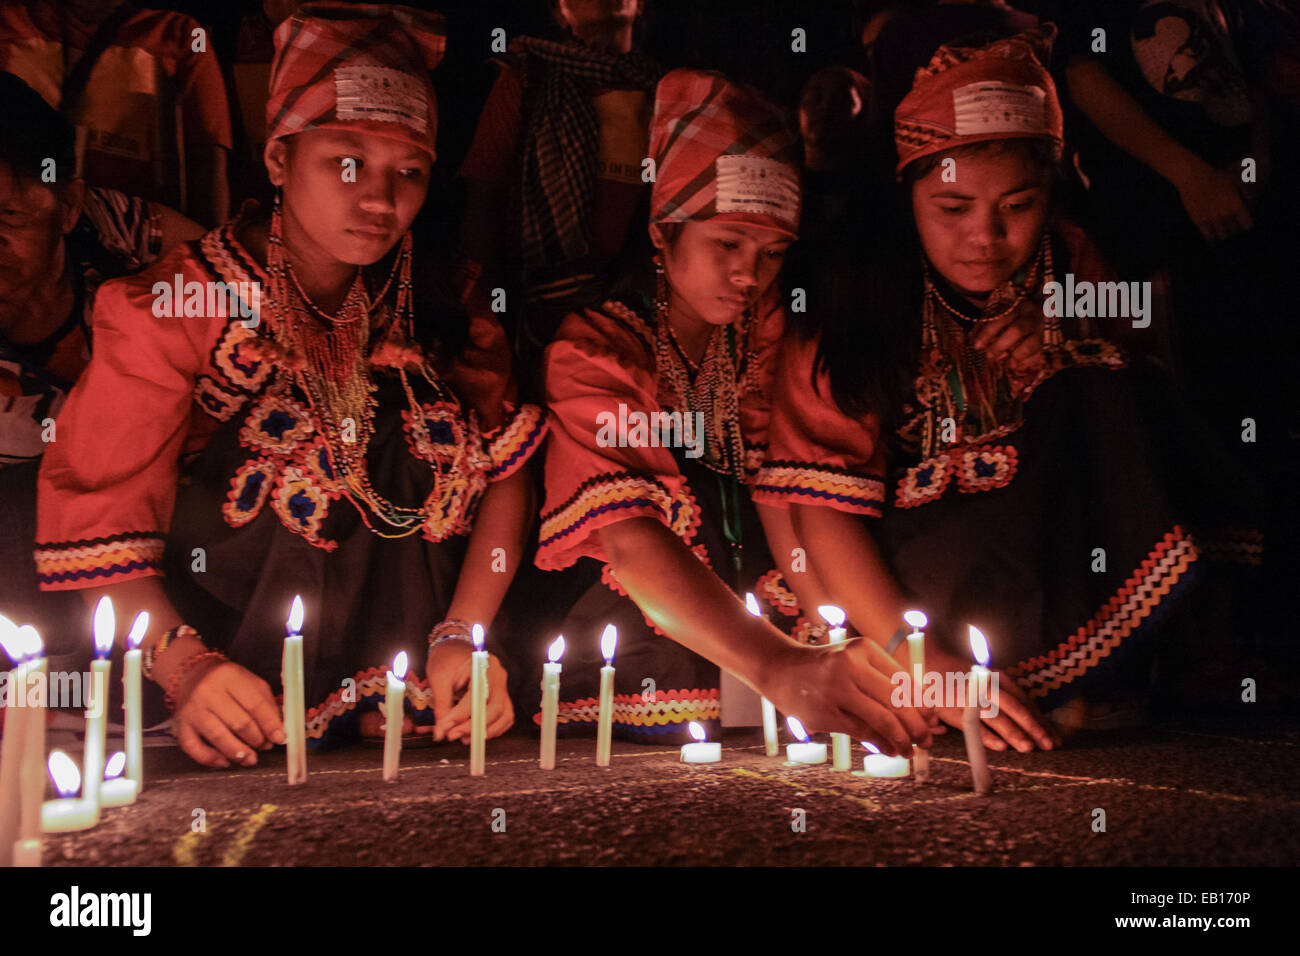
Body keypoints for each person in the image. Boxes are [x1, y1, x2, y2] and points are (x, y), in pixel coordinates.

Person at [35, 3, 547, 768]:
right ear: (278, 159)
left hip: (419, 698)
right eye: (346, 162)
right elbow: (97, 525)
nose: (378, 199)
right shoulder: (175, 309)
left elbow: (506, 474)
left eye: (407, 172)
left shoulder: (445, 301)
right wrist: (186, 666)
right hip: (238, 685)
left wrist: (463, 637)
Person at [759, 26, 1257, 751]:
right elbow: (816, 513)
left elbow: (1152, 421)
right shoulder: (854, 305)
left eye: (1017, 207)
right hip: (908, 582)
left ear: (1049, 194)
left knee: (1105, 381)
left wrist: (1064, 339)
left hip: (1045, 564)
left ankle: (1134, 664)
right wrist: (920, 663)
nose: (985, 238)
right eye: (953, 209)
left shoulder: (1070, 261)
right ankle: (1026, 681)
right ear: (907, 193)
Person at [526, 67, 936, 753]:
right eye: (726, 245)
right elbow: (630, 540)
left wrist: (820, 639)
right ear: (662, 232)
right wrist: (779, 665)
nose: (750, 274)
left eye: (773, 252)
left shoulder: (777, 330)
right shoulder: (596, 352)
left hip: (785, 606)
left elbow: (797, 489)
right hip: (662, 623)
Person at [0, 69, 201, 676]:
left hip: (148, 505)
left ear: (67, 207)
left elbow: (241, 287)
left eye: (8, 215)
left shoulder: (123, 238)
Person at [455, 0, 662, 388]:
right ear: (561, 8)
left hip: (639, 306)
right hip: (542, 306)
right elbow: (483, 196)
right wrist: (482, 307)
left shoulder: (666, 91)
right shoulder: (528, 78)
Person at [0, 0, 234, 227]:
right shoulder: (9, 23)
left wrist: (209, 252)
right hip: (22, 228)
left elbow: (207, 155)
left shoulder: (183, 35)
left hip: (131, 241)